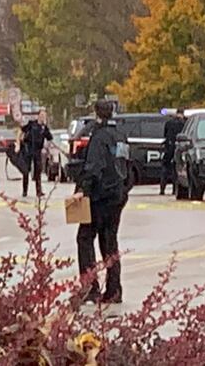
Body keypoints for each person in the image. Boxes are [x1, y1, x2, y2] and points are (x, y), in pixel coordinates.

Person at [72, 100, 127, 305]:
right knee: (109, 241)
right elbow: (125, 164)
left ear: (97, 114)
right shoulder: (120, 135)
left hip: (99, 197)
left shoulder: (99, 137)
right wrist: (124, 189)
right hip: (117, 195)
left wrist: (81, 190)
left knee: (85, 238)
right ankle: (114, 290)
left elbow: (94, 167)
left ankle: (90, 287)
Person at [20, 110, 52, 198]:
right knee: (26, 171)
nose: (42, 117)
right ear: (38, 116)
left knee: (38, 172)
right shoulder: (31, 124)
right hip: (29, 150)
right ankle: (24, 191)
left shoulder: (44, 128)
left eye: (44, 116)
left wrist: (45, 128)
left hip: (38, 151)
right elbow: (22, 129)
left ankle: (39, 191)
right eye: (41, 115)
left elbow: (49, 137)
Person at [160, 109, 186, 196]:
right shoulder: (184, 124)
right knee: (177, 169)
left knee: (165, 169)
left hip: (168, 148)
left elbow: (165, 135)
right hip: (179, 149)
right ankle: (175, 190)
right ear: (182, 114)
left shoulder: (169, 123)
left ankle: (162, 189)